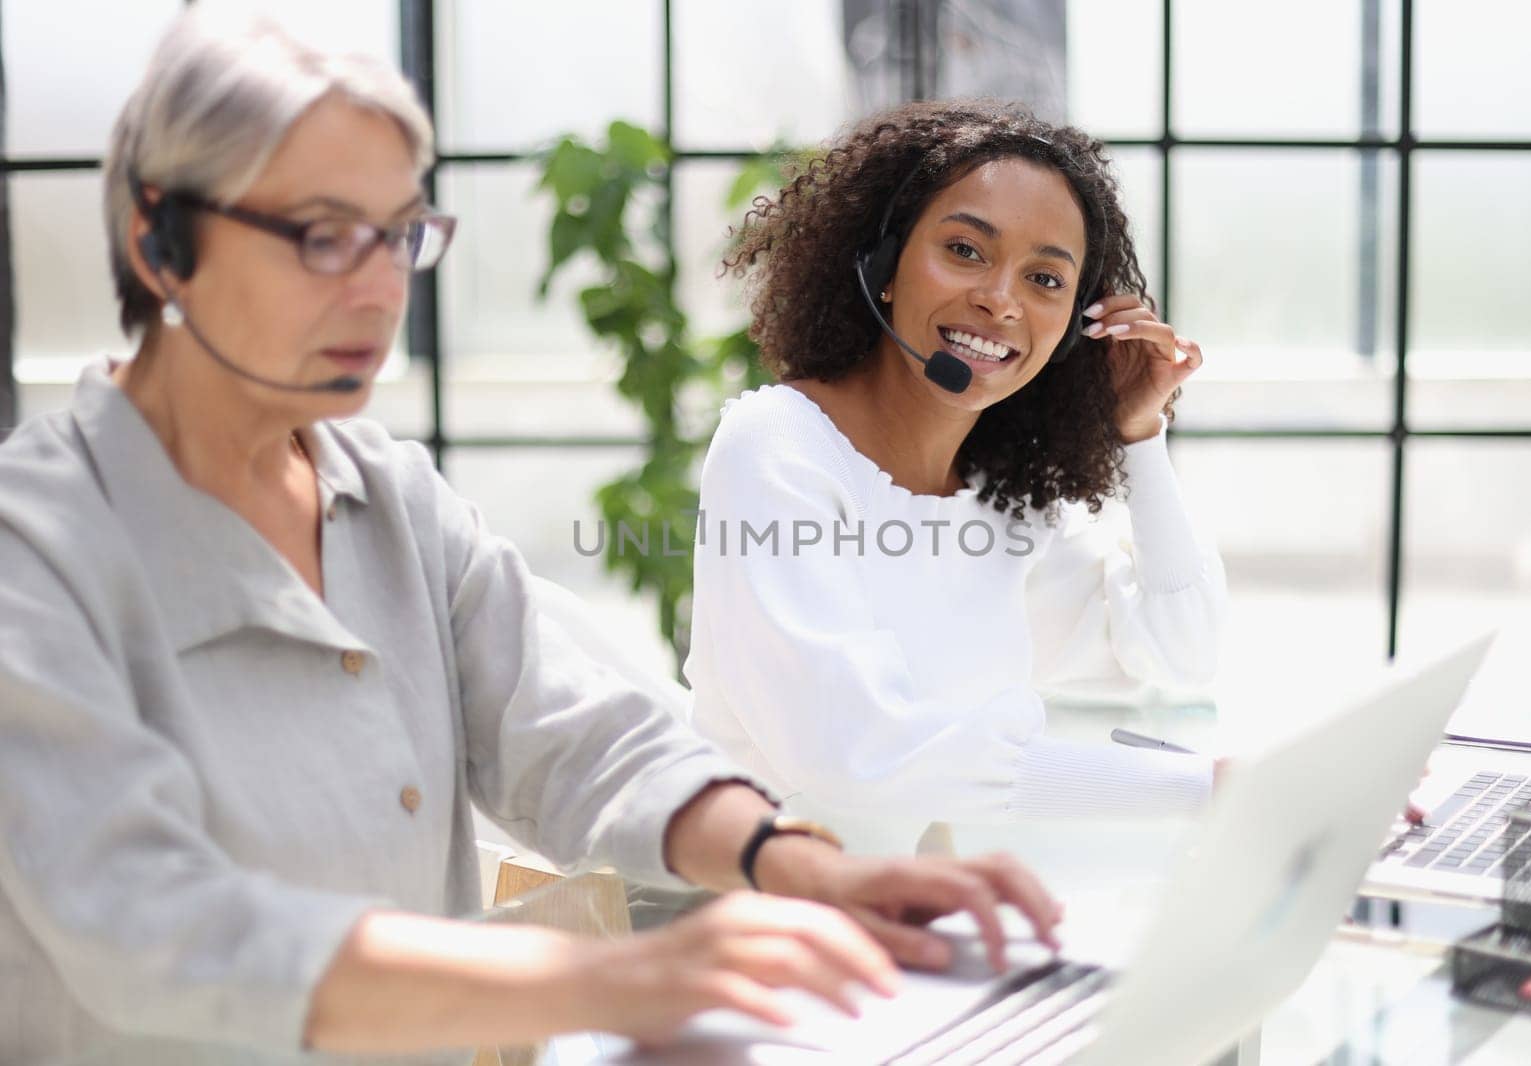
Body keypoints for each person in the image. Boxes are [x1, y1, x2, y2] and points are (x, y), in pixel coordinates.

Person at [0, 17, 1061, 1064]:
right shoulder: (36, 548)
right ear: (160, 239)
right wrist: (615, 978)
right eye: (323, 236)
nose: (378, 288)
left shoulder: (393, 500)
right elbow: (153, 924)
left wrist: (794, 861)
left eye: (399, 234)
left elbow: (577, 734)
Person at [685, 100, 1228, 855]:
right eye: (967, 251)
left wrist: (1139, 433)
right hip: (759, 927)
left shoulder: (1000, 499)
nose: (1001, 300)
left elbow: (1180, 650)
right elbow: (860, 754)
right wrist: (1207, 788)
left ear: (1072, 324)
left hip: (912, 919)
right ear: (882, 263)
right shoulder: (778, 447)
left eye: (1044, 278)